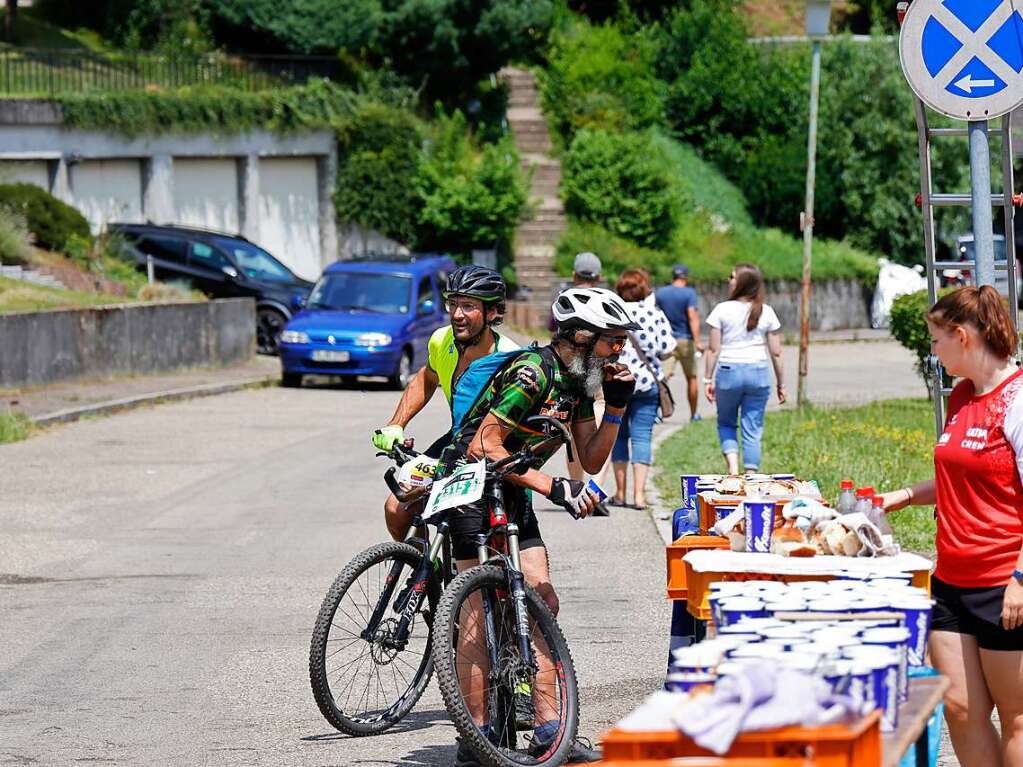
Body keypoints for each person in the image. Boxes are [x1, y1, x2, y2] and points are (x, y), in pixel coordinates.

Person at [442, 286, 639, 765]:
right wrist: (553, 488)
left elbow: (590, 460)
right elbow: (484, 445)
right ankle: (478, 733)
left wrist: (615, 405)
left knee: (541, 598)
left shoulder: (577, 383)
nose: (622, 349)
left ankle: (552, 731)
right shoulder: (533, 373)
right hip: (469, 484)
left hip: (512, 485)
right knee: (475, 606)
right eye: (614, 340)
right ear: (581, 336)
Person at [878, 286, 1023, 767]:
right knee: (960, 709)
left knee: (1018, 717)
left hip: (1005, 585)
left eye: (936, 341)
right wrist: (903, 496)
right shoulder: (961, 396)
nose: (933, 352)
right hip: (951, 580)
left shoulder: (1018, 401)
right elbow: (961, 474)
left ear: (961, 337)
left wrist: (1020, 579)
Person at [371, 265, 518, 541]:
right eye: (453, 303)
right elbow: (426, 379)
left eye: (468, 306)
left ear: (492, 312)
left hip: (496, 448)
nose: (457, 314)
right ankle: (427, 571)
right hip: (457, 440)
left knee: (488, 530)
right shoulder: (442, 340)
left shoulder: (510, 358)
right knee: (397, 508)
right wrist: (396, 424)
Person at [702, 264, 785, 474]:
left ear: (742, 282)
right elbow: (776, 352)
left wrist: (707, 380)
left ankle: (732, 469)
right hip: (758, 371)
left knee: (726, 422)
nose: (729, 281)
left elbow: (713, 350)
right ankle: (751, 475)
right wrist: (781, 383)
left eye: (732, 277)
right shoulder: (766, 311)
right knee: (753, 427)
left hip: (729, 371)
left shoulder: (721, 309)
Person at [608, 268, 674, 510]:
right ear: (644, 288)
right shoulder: (654, 314)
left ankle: (620, 493)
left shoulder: (615, 314)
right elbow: (667, 348)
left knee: (618, 437)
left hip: (617, 381)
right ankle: (638, 497)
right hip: (647, 382)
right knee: (642, 437)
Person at [656, 264, 704, 421]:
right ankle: (693, 414)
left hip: (666, 341)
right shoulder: (689, 293)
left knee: (662, 377)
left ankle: (656, 413)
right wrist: (698, 342)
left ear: (673, 277)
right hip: (685, 340)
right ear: (685, 277)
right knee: (691, 377)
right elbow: (692, 316)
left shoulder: (661, 293)